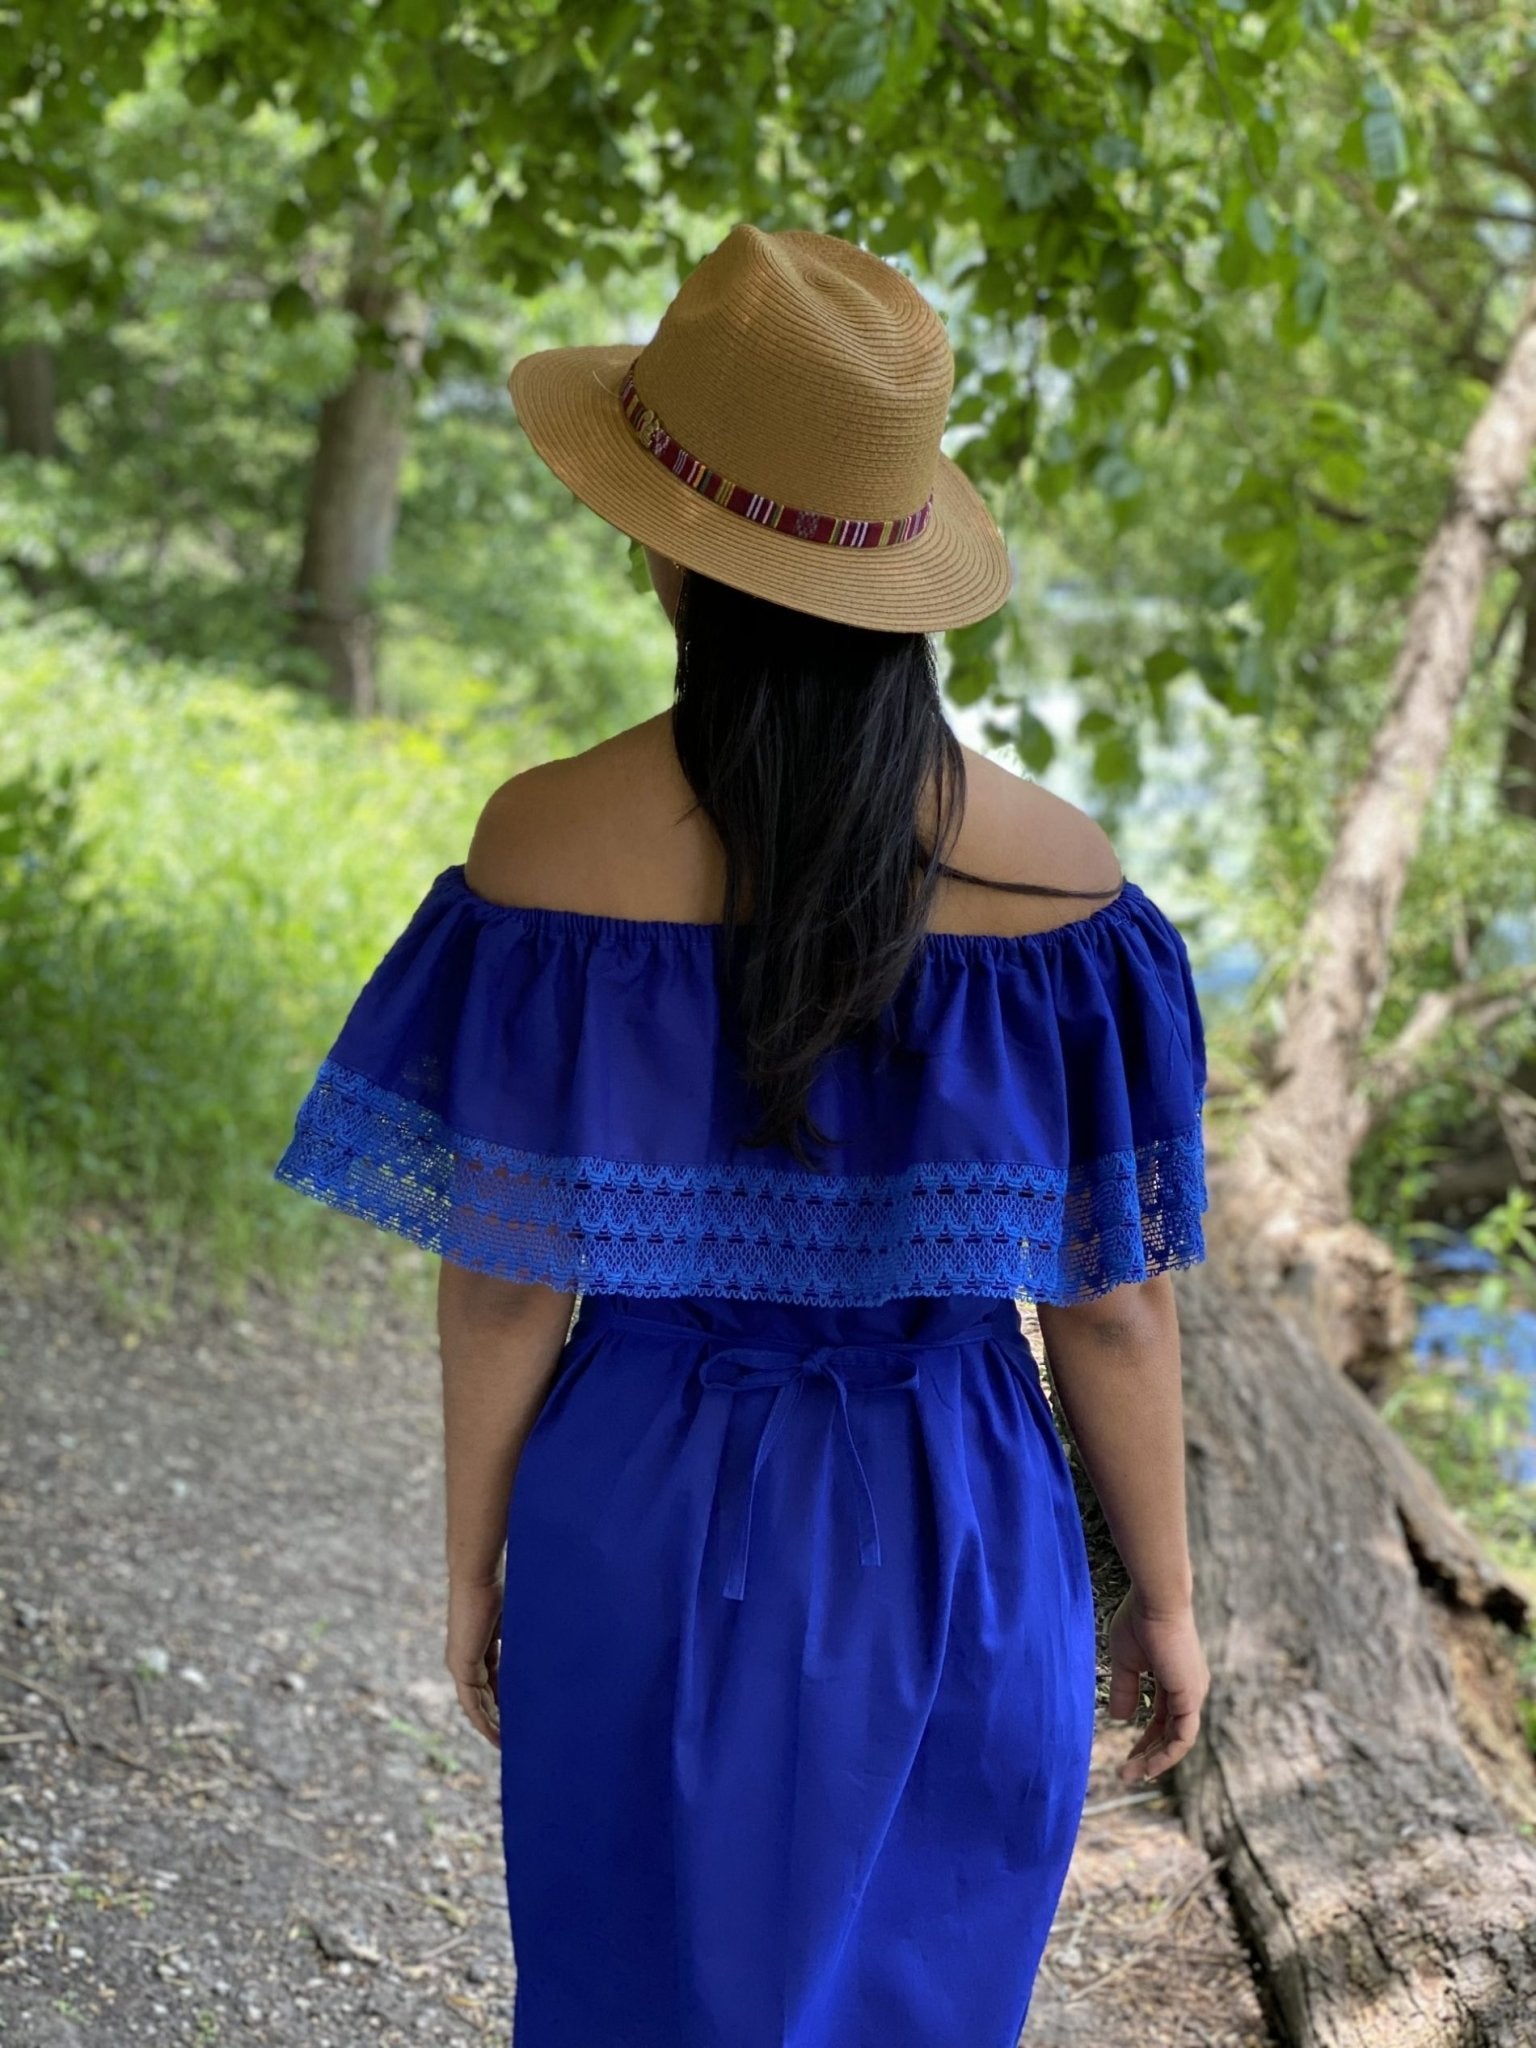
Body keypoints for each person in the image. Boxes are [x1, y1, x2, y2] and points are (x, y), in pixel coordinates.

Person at [274, 222, 1212, 2048]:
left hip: (634, 1492)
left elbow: (502, 1287)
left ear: (661, 542)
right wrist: (1165, 1602)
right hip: (957, 1516)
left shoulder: (541, 849)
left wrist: (477, 1559)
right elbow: (1113, 1312)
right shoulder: (1067, 890)